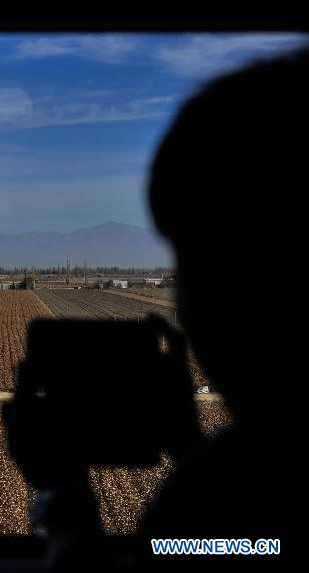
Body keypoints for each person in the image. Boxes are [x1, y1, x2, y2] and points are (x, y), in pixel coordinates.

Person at [137, 47, 306, 569]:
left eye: (189, 264)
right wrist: (195, 447)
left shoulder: (206, 507)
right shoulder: (248, 480)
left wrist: (66, 509)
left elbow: (214, 549)